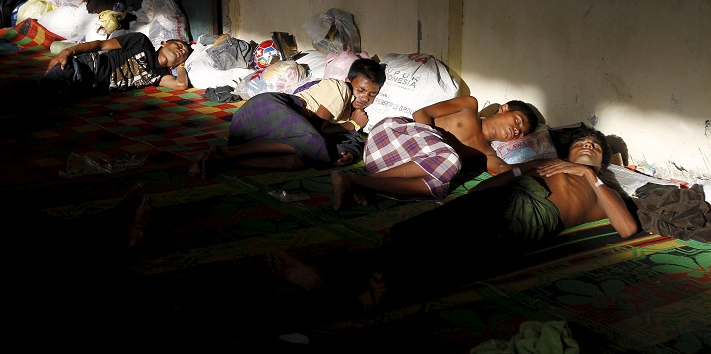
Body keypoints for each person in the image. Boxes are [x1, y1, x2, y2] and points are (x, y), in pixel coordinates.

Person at [270, 127, 641, 313]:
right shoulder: (547, 164)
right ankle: (332, 275)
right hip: (502, 197)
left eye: (595, 146)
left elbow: (627, 229)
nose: (587, 145)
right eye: (580, 143)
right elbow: (493, 185)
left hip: (531, 214)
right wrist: (516, 173)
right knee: (418, 232)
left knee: (456, 250)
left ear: (603, 161)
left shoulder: (603, 189)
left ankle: (353, 296)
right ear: (567, 150)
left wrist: (587, 175)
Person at [189, 58, 387, 178]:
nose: (365, 98)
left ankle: (222, 161)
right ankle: (225, 153)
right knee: (313, 144)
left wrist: (348, 154)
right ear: (348, 81)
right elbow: (317, 128)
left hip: (258, 133)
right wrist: (352, 124)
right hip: (266, 110)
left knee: (302, 161)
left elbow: (345, 140)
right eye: (361, 90)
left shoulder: (350, 112)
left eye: (372, 94)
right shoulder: (340, 88)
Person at [331, 95, 538, 209]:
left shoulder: (486, 154)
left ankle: (362, 183)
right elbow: (422, 113)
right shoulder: (469, 106)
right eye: (517, 121)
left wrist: (539, 165)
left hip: (387, 164)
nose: (516, 130)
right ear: (504, 108)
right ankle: (362, 183)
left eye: (521, 133)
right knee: (450, 159)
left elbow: (504, 169)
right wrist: (433, 141)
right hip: (391, 135)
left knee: (440, 188)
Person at [0, 31, 191, 124]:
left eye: (183, 52)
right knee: (38, 91)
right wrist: (68, 51)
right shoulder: (141, 42)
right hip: (81, 68)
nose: (181, 50)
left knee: (36, 103)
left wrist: (184, 64)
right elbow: (100, 44)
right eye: (178, 45)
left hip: (84, 89)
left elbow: (181, 84)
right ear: (163, 43)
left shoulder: (157, 76)